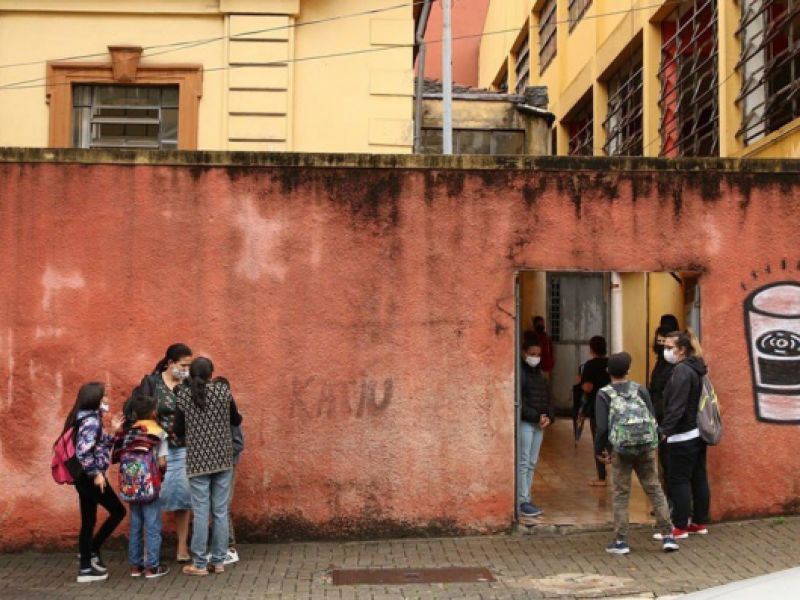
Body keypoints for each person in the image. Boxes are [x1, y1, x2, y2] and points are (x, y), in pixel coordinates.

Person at [594, 353, 679, 555]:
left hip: (620, 450)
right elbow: (651, 416)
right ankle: (668, 536)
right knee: (654, 489)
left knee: (621, 494)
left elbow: (602, 427)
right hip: (645, 447)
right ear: (628, 370)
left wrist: (600, 450)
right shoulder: (640, 389)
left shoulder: (604, 394)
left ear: (608, 371)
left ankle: (621, 541)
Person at [174, 358, 243, 575]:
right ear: (211, 373)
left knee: (201, 512)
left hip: (198, 461)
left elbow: (178, 429)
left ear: (191, 374)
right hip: (223, 458)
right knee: (220, 511)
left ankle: (200, 563)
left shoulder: (183, 395)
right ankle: (219, 561)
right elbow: (236, 420)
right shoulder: (223, 392)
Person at [126, 343, 194, 562]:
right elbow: (139, 412)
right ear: (170, 363)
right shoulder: (153, 383)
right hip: (155, 450)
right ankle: (151, 548)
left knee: (183, 497)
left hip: (183, 447)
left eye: (189, 366)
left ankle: (182, 547)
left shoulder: (189, 384)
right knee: (152, 496)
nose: (186, 370)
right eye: (183, 365)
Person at [63, 382, 126, 583]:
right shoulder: (91, 421)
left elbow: (99, 444)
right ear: (95, 399)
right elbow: (84, 452)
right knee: (118, 511)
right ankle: (91, 552)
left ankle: (86, 564)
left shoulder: (84, 418)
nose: (107, 400)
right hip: (91, 478)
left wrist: (114, 432)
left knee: (88, 521)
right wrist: (96, 474)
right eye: (104, 396)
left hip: (84, 478)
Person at [658, 329, 711, 539]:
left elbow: (677, 406)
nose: (665, 351)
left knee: (678, 480)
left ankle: (679, 526)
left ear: (682, 350)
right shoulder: (696, 368)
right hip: (696, 433)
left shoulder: (682, 371)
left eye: (669, 347)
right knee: (698, 477)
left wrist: (664, 430)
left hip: (682, 435)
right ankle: (699, 522)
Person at [113, 396, 170, 579]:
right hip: (150, 485)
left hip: (131, 485)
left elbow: (116, 455)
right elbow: (162, 462)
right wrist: (162, 475)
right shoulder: (159, 432)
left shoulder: (128, 432)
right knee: (152, 525)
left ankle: (135, 566)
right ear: (154, 412)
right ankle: (152, 567)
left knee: (135, 525)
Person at [518, 340, 553, 520]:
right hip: (526, 423)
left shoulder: (540, 374)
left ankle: (527, 497)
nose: (535, 358)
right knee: (524, 462)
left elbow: (547, 398)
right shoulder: (520, 373)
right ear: (524, 353)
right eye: (532, 354)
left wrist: (549, 416)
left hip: (539, 424)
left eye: (538, 355)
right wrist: (536, 417)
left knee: (532, 462)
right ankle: (522, 500)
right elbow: (519, 403)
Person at [649, 315, 679, 499]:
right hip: (661, 419)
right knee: (664, 462)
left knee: (670, 464)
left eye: (665, 343)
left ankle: (672, 502)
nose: (661, 346)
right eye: (659, 342)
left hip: (669, 422)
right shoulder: (661, 361)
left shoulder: (676, 366)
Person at [579, 335, 611, 486]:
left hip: (597, 408)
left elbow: (588, 387)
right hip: (613, 407)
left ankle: (602, 477)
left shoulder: (590, 365)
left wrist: (581, 384)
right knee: (613, 439)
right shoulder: (611, 363)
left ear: (592, 349)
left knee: (598, 441)